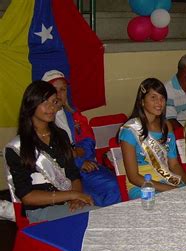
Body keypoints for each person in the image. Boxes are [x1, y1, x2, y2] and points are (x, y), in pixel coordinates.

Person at [4, 81, 95, 223]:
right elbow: (27, 196)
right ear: (31, 105)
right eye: (45, 102)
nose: (52, 107)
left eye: (54, 102)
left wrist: (77, 197)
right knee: (95, 218)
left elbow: (72, 173)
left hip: (67, 203)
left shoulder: (61, 136)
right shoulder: (17, 147)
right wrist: (71, 195)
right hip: (40, 211)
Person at [42, 70, 120, 207]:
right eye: (55, 90)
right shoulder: (42, 121)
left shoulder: (75, 116)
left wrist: (79, 155)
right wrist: (77, 161)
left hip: (86, 166)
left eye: (63, 89)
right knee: (89, 198)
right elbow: (50, 155)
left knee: (115, 187)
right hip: (60, 174)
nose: (59, 94)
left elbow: (88, 141)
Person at [119, 78, 186, 199]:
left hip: (168, 179)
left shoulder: (166, 126)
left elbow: (173, 165)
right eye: (153, 97)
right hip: (142, 186)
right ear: (142, 101)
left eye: (162, 98)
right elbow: (134, 177)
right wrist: (171, 189)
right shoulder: (130, 130)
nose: (159, 102)